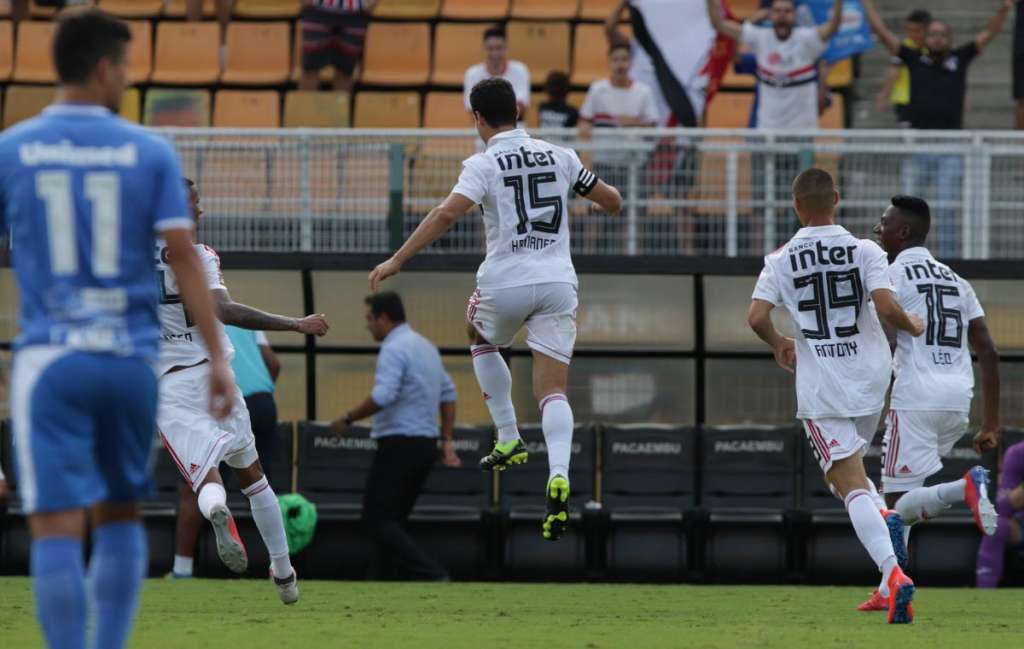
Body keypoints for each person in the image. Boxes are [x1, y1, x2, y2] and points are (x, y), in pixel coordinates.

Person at [0, 9, 234, 649]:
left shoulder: (12, 149)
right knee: (118, 518)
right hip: (131, 364)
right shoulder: (150, 152)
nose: (127, 80)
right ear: (104, 68)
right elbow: (185, 257)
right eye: (126, 68)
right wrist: (218, 358)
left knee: (53, 525)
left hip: (50, 362)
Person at [369, 78, 622, 542]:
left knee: (477, 334)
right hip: (557, 282)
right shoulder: (560, 155)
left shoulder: (483, 163)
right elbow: (612, 201)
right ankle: (559, 472)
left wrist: (397, 259)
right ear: (520, 111)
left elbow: (446, 214)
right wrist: (601, 203)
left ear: (478, 118)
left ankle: (507, 434)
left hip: (505, 280)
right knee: (553, 392)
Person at [747, 168, 925, 624]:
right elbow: (886, 307)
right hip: (869, 376)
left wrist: (779, 342)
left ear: (795, 206)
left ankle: (894, 572)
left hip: (823, 383)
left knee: (845, 485)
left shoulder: (780, 258)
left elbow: (756, 317)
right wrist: (912, 325)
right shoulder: (866, 249)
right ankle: (887, 562)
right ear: (837, 199)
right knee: (850, 478)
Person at [156, 178, 330, 599]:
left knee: (204, 478)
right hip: (216, 374)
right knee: (253, 477)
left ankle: (216, 508)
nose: (201, 211)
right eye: (195, 204)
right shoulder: (199, 256)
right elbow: (224, 309)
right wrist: (295, 323)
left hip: (167, 384)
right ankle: (285, 576)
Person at [852, 195, 1001, 611]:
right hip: (958, 400)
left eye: (884, 223)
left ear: (903, 231)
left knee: (894, 506)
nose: (878, 229)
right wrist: (990, 424)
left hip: (916, 396)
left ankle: (964, 485)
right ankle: (890, 590)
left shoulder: (891, 274)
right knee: (905, 502)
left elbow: (878, 328)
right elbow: (988, 350)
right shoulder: (956, 279)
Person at [862, 0, 1012, 258]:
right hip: (918, 145)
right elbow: (883, 33)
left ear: (949, 39)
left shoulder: (959, 58)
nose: (938, 39)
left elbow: (989, 34)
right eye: (933, 34)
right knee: (907, 209)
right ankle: (906, 256)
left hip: (950, 147)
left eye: (943, 35)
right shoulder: (913, 58)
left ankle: (949, 259)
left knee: (946, 208)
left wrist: (1004, 9)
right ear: (925, 38)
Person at [329, 292, 460, 580]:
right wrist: (446, 439)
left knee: (376, 518)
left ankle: (432, 573)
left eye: (369, 319)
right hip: (425, 445)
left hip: (400, 443)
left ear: (384, 319)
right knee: (393, 519)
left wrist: (347, 418)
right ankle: (378, 579)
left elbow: (383, 395)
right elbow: (449, 395)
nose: (367, 326)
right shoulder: (427, 347)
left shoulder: (393, 348)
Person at [578, 42, 658, 253]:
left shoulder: (643, 91)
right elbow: (584, 121)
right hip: (603, 161)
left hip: (634, 164)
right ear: (609, 62)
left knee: (634, 213)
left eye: (624, 59)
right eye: (616, 60)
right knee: (595, 213)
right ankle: (588, 257)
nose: (620, 64)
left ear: (631, 62)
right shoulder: (598, 89)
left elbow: (652, 125)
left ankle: (633, 258)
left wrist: (629, 123)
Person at [298, 0, 378, 92]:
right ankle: (306, 106)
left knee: (345, 70)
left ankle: (340, 106)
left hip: (356, 15)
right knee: (310, 68)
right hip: (317, 11)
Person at [977, 441, 1024, 587]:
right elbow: (1003, 506)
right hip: (1021, 523)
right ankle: (984, 597)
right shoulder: (1017, 453)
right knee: (997, 526)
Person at [874, 9, 932, 127]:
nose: (912, 34)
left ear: (928, 30)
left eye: (916, 31)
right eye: (909, 30)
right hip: (905, 101)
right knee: (908, 140)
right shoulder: (904, 48)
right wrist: (884, 94)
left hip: (929, 101)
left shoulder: (935, 49)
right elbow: (894, 71)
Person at [463, 25, 530, 124]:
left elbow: (520, 108)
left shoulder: (520, 70)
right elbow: (472, 111)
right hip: (484, 134)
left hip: (514, 132)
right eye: (490, 48)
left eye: (499, 48)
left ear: (506, 47)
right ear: (483, 48)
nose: (495, 53)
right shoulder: (472, 74)